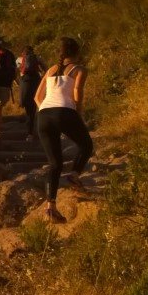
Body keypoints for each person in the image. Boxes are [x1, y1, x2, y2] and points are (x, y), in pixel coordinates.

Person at [34, 37, 93, 224]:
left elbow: (37, 97)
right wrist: (78, 113)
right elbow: (77, 94)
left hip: (43, 115)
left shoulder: (51, 70)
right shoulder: (79, 69)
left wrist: (48, 111)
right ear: (77, 52)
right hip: (64, 111)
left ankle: (51, 207)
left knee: (55, 163)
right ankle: (75, 175)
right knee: (86, 144)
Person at [17, 44, 45, 128]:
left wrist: (17, 81)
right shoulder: (37, 58)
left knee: (27, 104)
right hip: (36, 80)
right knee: (35, 102)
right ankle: (35, 123)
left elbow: (16, 71)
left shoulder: (19, 59)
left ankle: (29, 127)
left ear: (23, 52)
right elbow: (46, 68)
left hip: (25, 81)